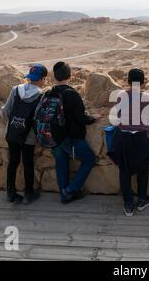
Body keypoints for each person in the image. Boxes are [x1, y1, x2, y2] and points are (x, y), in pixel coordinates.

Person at [50, 62, 98, 204]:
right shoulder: (71, 94)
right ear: (70, 76)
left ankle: (64, 193)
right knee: (89, 159)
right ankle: (70, 191)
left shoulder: (49, 92)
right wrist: (94, 118)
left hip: (54, 136)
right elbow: (81, 119)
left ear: (55, 77)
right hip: (70, 138)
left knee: (61, 162)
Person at [109, 68, 149, 217]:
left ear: (128, 82)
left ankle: (128, 204)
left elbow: (119, 115)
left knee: (124, 169)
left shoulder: (121, 96)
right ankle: (142, 199)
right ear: (143, 82)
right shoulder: (147, 97)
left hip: (124, 138)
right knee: (143, 168)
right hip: (140, 138)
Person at [1, 64, 48, 204]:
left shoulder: (16, 90)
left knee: (13, 162)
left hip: (13, 132)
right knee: (28, 163)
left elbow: (5, 111)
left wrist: (14, 124)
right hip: (29, 136)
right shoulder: (41, 95)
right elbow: (39, 119)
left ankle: (10, 193)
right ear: (42, 79)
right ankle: (29, 193)